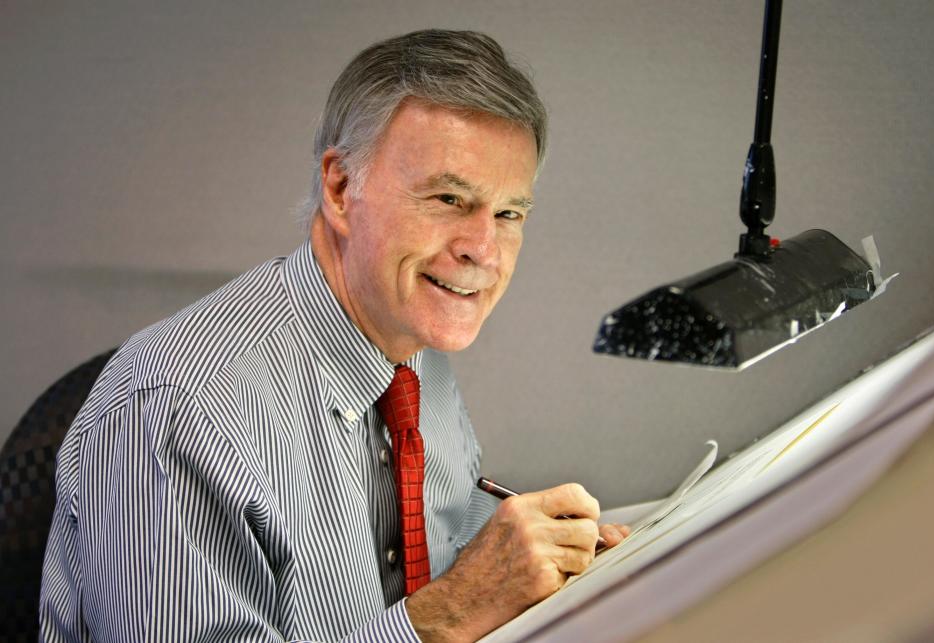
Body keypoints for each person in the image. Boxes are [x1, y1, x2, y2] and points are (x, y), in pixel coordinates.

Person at [39, 29, 629, 642]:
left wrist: (533, 555)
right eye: (450, 198)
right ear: (342, 189)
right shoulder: (180, 411)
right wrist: (451, 612)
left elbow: (435, 538)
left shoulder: (409, 348)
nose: (483, 250)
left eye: (509, 213)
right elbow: (439, 608)